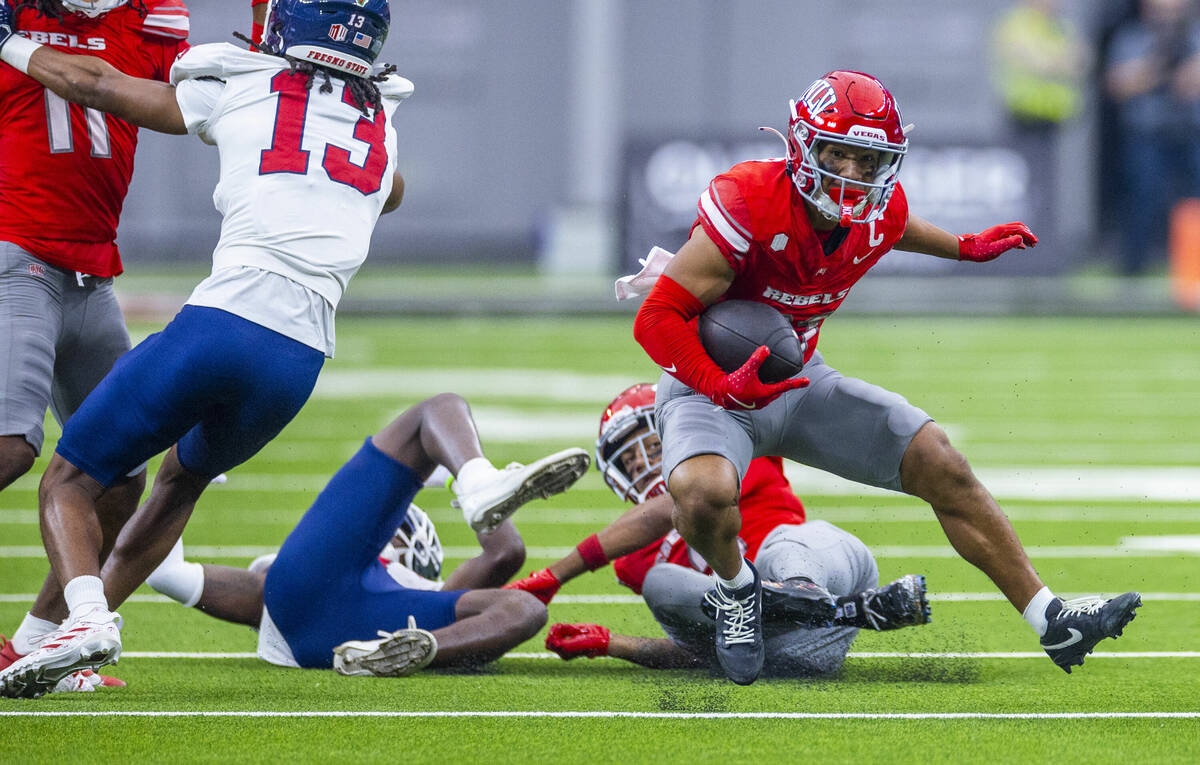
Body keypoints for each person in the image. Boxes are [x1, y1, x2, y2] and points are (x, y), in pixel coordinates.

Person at [0, 0, 502, 698]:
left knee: (70, 479)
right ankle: (42, 642)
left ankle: (86, 614)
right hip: (298, 362)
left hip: (222, 323)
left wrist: (14, 45)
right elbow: (388, 191)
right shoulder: (379, 119)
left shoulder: (242, 77)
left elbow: (98, 87)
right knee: (178, 481)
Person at [627, 70, 1141, 684]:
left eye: (868, 159)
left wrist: (966, 246)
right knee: (704, 493)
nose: (850, 172)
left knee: (940, 461)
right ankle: (738, 590)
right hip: (710, 384)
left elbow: (896, 226)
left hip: (798, 382)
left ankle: (1050, 616)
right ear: (802, 148)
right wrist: (720, 383)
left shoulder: (878, 210)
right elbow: (656, 316)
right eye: (836, 153)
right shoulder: (749, 201)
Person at [0, 0, 188, 690]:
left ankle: (37, 643)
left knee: (117, 466)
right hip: (15, 251)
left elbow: (186, 105)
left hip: (92, 270)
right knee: (11, 445)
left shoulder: (149, 18)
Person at [138, 393, 588, 679]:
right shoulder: (430, 594)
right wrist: (457, 482)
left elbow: (163, 571)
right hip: (363, 619)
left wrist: (177, 487)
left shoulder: (430, 592)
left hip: (364, 632)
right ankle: (476, 489)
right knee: (524, 608)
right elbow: (505, 549)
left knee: (528, 607)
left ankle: (419, 652)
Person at [506, 383, 929, 677]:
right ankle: (848, 609)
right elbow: (700, 654)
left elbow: (674, 504)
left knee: (785, 547)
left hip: (825, 571)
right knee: (661, 582)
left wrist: (558, 572)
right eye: (631, 464)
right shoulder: (631, 561)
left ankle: (804, 593)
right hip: (774, 652)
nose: (646, 467)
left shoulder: (726, 456)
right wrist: (612, 644)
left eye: (654, 449)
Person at [1103, 0, 1200, 274]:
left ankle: (1192, 270)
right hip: (1147, 131)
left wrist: (1189, 76)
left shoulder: (1194, 35)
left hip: (1190, 129)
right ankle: (1133, 268)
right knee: (1142, 198)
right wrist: (1154, 70)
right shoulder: (1132, 36)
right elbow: (1116, 85)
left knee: (1195, 203)